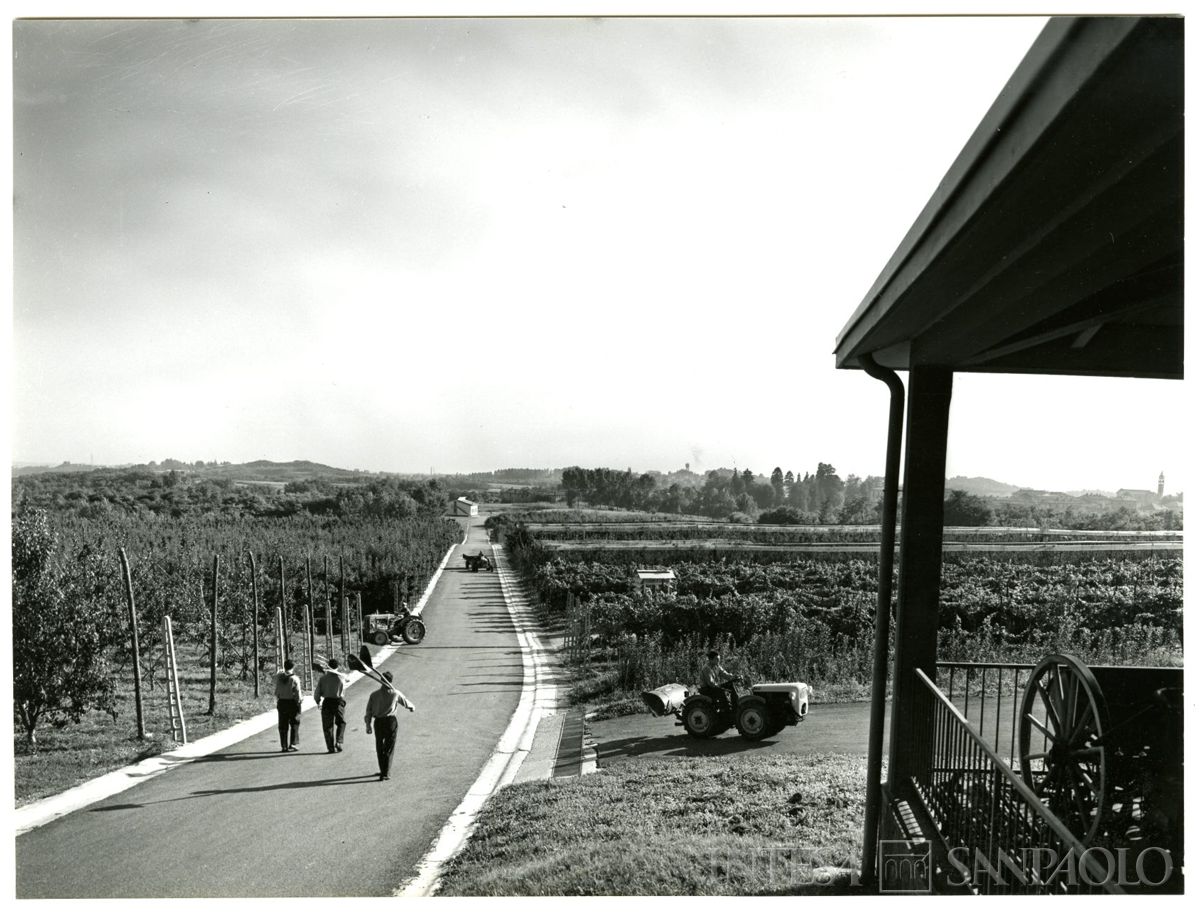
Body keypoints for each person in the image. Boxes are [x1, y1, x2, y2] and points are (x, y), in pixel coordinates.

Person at [363, 671, 415, 781]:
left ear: (381, 681)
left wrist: (368, 725)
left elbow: (368, 711)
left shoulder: (374, 695)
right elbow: (406, 703)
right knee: (389, 747)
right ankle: (385, 772)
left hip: (378, 722)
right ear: (391, 681)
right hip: (390, 722)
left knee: (379, 746)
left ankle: (383, 770)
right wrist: (411, 707)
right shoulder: (395, 693)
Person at [314, 658, 347, 753]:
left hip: (327, 702)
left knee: (327, 726)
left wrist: (318, 701)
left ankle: (330, 747)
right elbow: (343, 692)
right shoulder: (341, 678)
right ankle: (339, 741)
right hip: (338, 702)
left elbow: (317, 693)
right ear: (337, 667)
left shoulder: (323, 679)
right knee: (341, 722)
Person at [274, 659, 302, 752]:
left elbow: (276, 692)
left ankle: (284, 745)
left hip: (282, 702)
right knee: (294, 723)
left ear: (284, 666)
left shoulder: (279, 677)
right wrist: (299, 701)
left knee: (283, 724)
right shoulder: (295, 678)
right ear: (293, 667)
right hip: (292, 703)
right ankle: (293, 743)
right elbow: (298, 692)